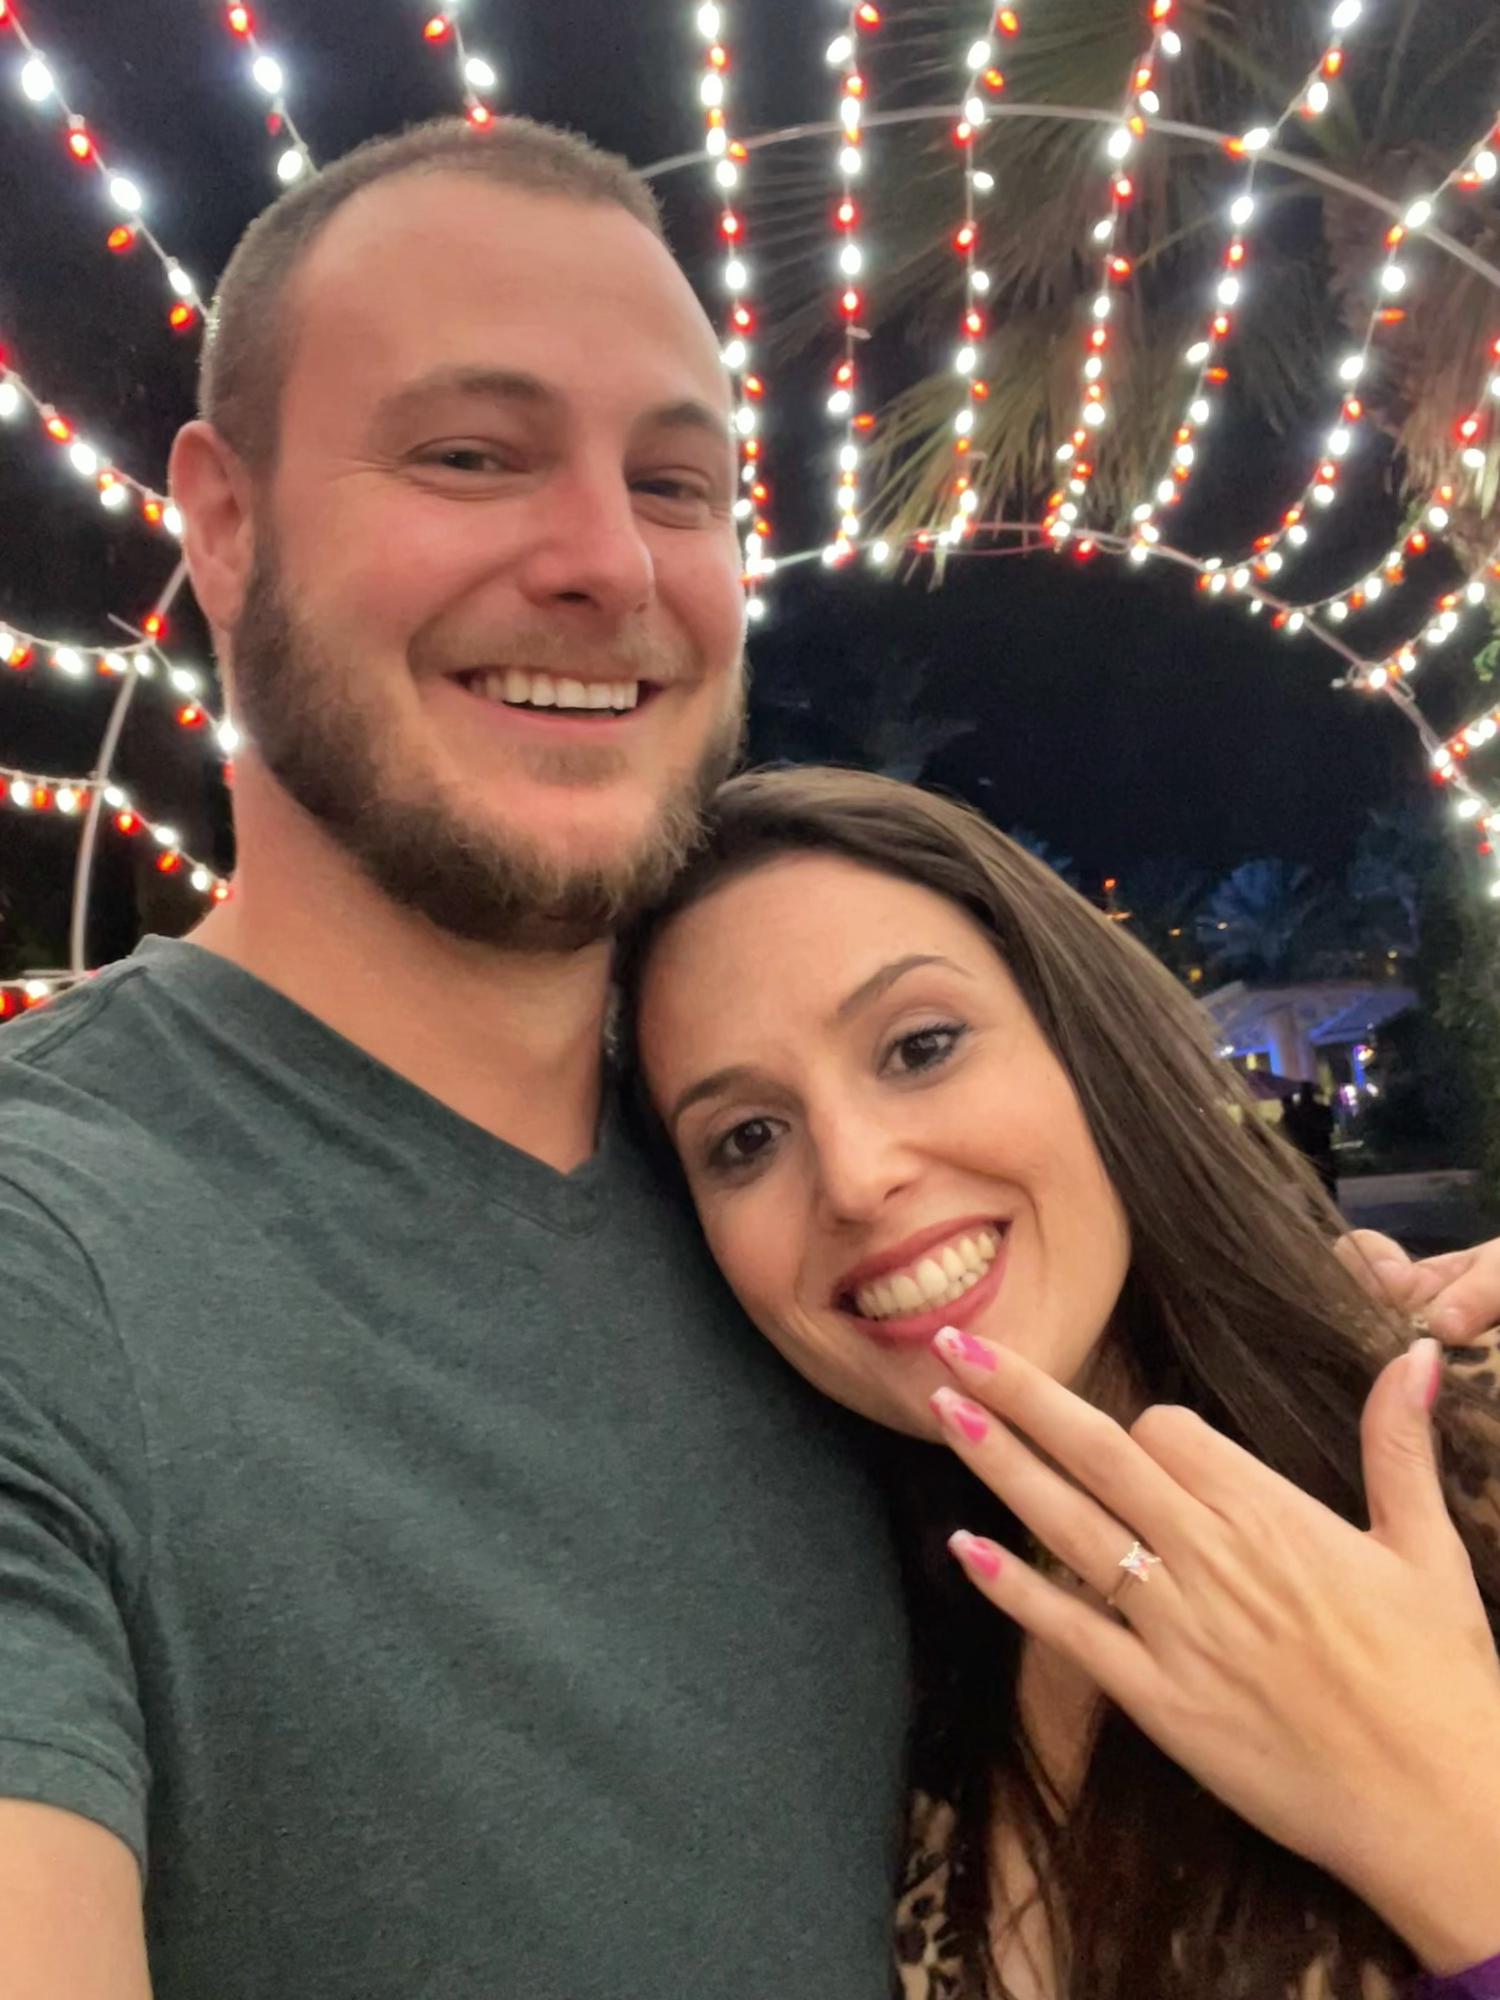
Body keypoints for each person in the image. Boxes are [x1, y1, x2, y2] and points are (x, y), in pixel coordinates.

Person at [0, 123, 911, 1997]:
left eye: (677, 484)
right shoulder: (48, 1266)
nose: (607, 563)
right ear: (225, 525)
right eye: (471, 455)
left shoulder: (809, 1208)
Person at [622, 765, 1500, 2000]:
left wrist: (1449, 1819)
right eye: (746, 1138)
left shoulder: (1461, 1452)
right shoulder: (860, 1688)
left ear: (1087, 1043)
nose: (857, 1177)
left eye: (920, 1045)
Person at [1284, 1079, 1339, 1201]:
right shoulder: (1322, 1110)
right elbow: (1330, 1128)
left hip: (1307, 1154)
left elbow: (1293, 1134)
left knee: (1313, 1186)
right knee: (1328, 1186)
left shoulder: (1296, 1114)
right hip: (1322, 1151)